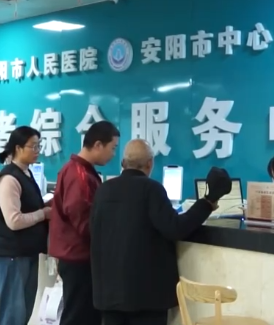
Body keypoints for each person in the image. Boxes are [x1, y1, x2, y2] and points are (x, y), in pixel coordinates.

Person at [90, 139, 232, 325]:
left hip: (108, 293)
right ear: (150, 164)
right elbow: (175, 228)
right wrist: (206, 203)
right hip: (145, 296)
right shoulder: (151, 189)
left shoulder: (103, 190)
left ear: (123, 163)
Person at [49, 121, 120, 325]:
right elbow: (83, 219)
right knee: (78, 317)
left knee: (85, 315)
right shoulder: (78, 174)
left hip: (77, 256)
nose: (113, 154)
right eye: (112, 148)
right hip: (78, 257)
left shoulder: (81, 170)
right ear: (98, 145)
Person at [0, 126, 51, 325]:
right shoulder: (9, 179)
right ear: (18, 148)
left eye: (39, 146)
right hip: (12, 255)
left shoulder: (26, 174)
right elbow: (14, 221)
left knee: (24, 311)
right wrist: (43, 214)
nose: (37, 151)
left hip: (27, 251)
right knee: (12, 313)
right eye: (33, 146)